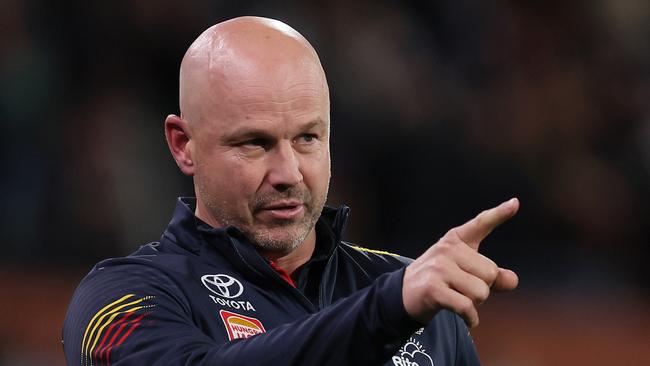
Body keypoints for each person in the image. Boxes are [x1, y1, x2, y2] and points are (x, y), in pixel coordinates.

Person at [62, 16, 519, 366]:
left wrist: (397, 301)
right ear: (185, 146)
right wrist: (387, 310)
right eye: (255, 143)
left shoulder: (423, 301)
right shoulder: (119, 297)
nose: (289, 173)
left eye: (307, 138)